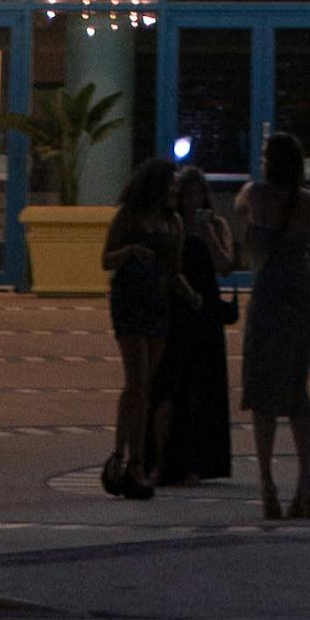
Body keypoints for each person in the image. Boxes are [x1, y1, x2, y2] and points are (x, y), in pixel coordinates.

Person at [226, 126, 310, 520]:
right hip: (300, 294)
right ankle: (305, 482)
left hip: (267, 295)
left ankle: (267, 486)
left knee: (261, 391)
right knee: (297, 389)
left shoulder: (254, 195)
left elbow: (239, 209)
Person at [154, 154, 235, 489]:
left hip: (207, 309)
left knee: (206, 385)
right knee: (177, 384)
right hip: (178, 306)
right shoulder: (171, 225)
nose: (192, 201)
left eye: (198, 194)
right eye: (186, 195)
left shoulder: (216, 225)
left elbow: (226, 266)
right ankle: (172, 460)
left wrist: (208, 236)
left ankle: (203, 460)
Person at [98, 155, 175, 499]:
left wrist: (191, 296)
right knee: (137, 382)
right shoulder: (128, 216)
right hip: (129, 301)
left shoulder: (172, 222)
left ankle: (133, 461)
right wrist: (130, 251)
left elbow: (174, 268)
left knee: (145, 386)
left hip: (157, 303)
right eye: (170, 186)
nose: (174, 192)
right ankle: (127, 459)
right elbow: (105, 259)